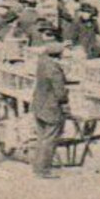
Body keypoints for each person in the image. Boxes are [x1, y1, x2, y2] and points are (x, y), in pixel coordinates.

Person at [29, 41, 70, 181]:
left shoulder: (42, 63)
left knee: (42, 137)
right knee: (50, 138)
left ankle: (38, 166)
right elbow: (60, 92)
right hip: (51, 107)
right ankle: (44, 169)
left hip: (39, 104)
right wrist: (65, 102)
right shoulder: (54, 69)